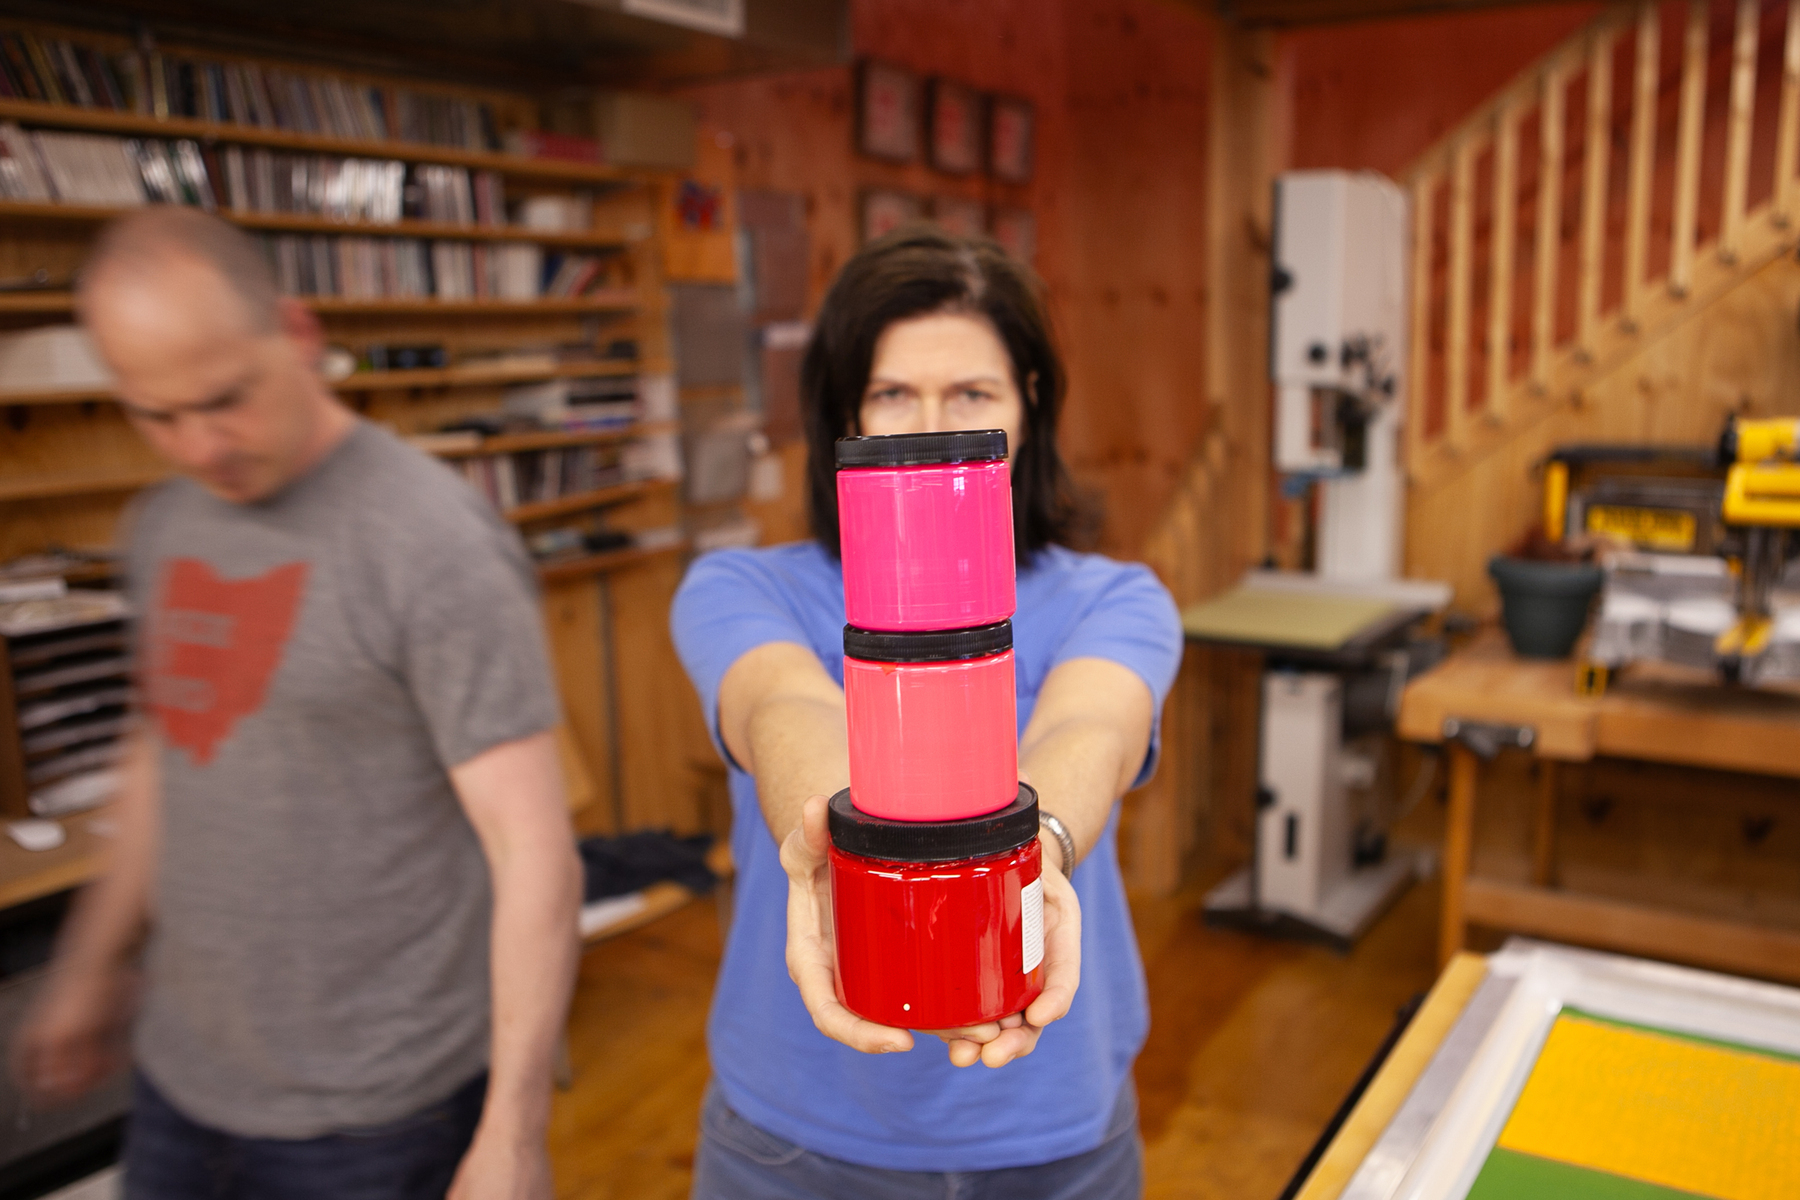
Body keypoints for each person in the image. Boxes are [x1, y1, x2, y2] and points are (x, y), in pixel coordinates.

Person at [11, 208, 583, 1200]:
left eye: (224, 398)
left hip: (379, 1112)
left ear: (300, 335)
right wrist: (90, 962)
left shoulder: (430, 539)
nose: (198, 445)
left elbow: (534, 849)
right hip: (183, 1079)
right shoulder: (163, 523)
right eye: (154, 414)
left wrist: (514, 1134)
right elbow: (169, 751)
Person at [671, 227, 1183, 1199]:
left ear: (1028, 404)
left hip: (1053, 1138)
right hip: (795, 1144)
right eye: (894, 392)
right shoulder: (739, 586)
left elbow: (1088, 733)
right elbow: (784, 704)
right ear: (847, 415)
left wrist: (1042, 853)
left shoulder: (1116, 598)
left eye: (971, 393)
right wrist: (842, 848)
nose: (928, 423)